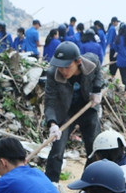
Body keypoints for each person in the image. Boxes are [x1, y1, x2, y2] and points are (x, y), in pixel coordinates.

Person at [43, 41, 105, 183]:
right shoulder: (53, 74)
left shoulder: (91, 62)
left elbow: (97, 69)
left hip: (87, 108)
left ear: (78, 62)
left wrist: (96, 90)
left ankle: (90, 182)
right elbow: (50, 101)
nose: (63, 71)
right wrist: (52, 123)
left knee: (94, 148)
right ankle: (51, 184)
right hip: (65, 111)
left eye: (67, 67)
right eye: (60, 67)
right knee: (57, 149)